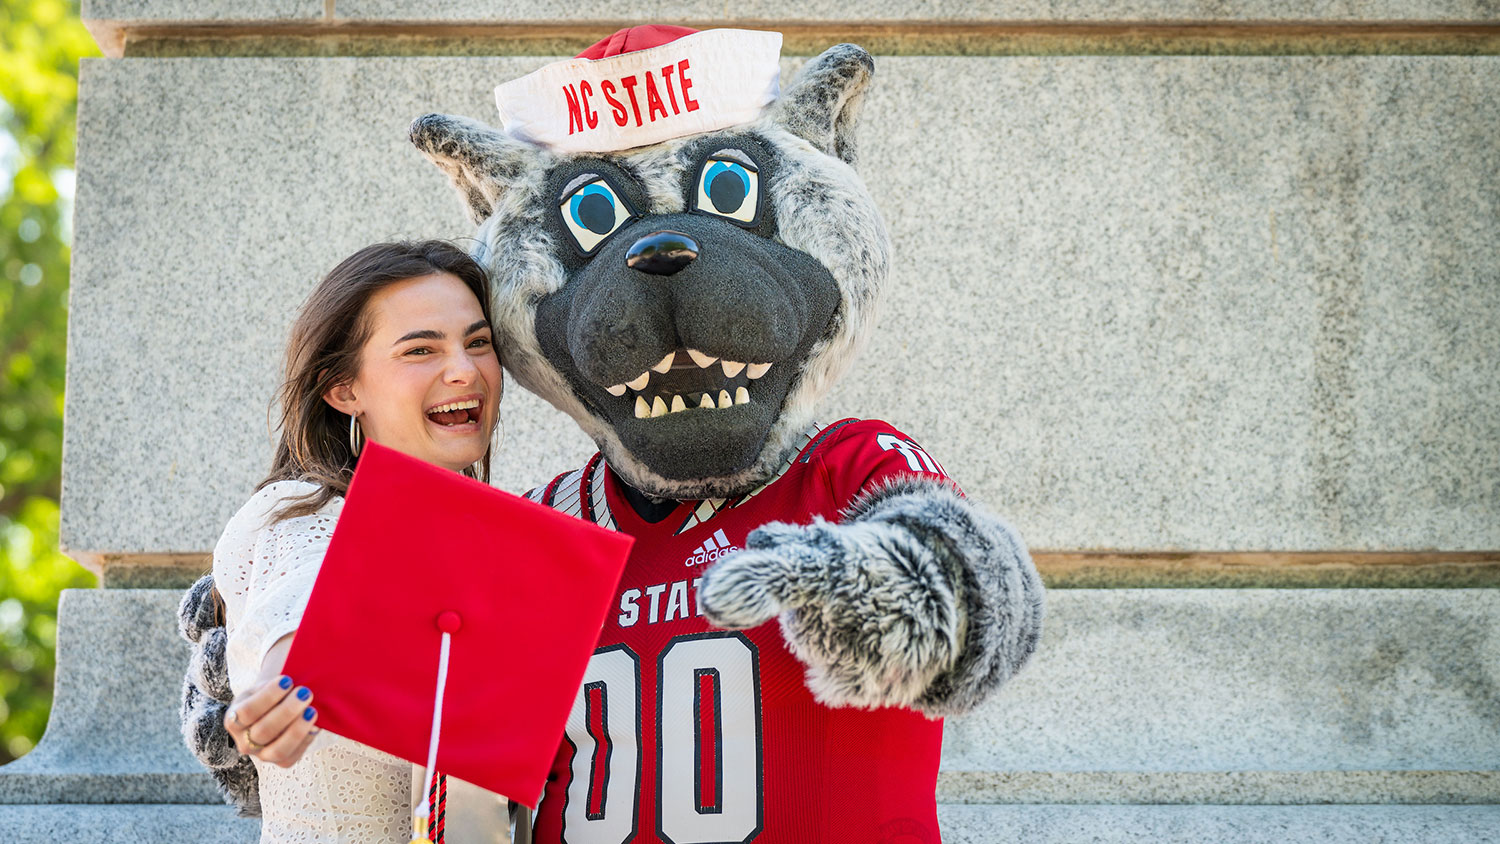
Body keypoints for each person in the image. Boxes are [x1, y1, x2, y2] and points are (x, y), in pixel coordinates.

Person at [210, 240, 503, 842]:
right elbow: (304, 597)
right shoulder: (299, 514)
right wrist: (282, 688)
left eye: (478, 343)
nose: (464, 370)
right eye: (421, 349)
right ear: (344, 390)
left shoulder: (508, 545)